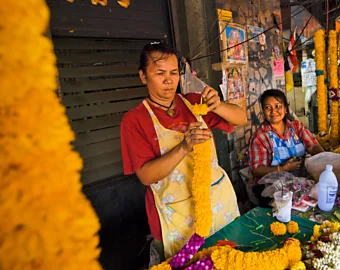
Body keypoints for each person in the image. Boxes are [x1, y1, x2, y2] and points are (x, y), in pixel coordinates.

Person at [120, 43, 247, 263]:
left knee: (230, 261)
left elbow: (241, 118)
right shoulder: (135, 120)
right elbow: (146, 175)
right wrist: (184, 147)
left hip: (218, 201)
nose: (169, 81)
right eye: (160, 73)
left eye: (173, 73)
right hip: (178, 217)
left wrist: (216, 105)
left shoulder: (193, 102)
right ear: (143, 76)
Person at [249, 89, 324, 206]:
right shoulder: (260, 137)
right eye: (268, 107)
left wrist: (325, 157)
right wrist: (281, 169)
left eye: (278, 106)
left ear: (285, 107)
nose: (273, 111)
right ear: (263, 111)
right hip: (273, 189)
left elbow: (312, 145)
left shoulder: (296, 127)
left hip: (300, 182)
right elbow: (256, 169)